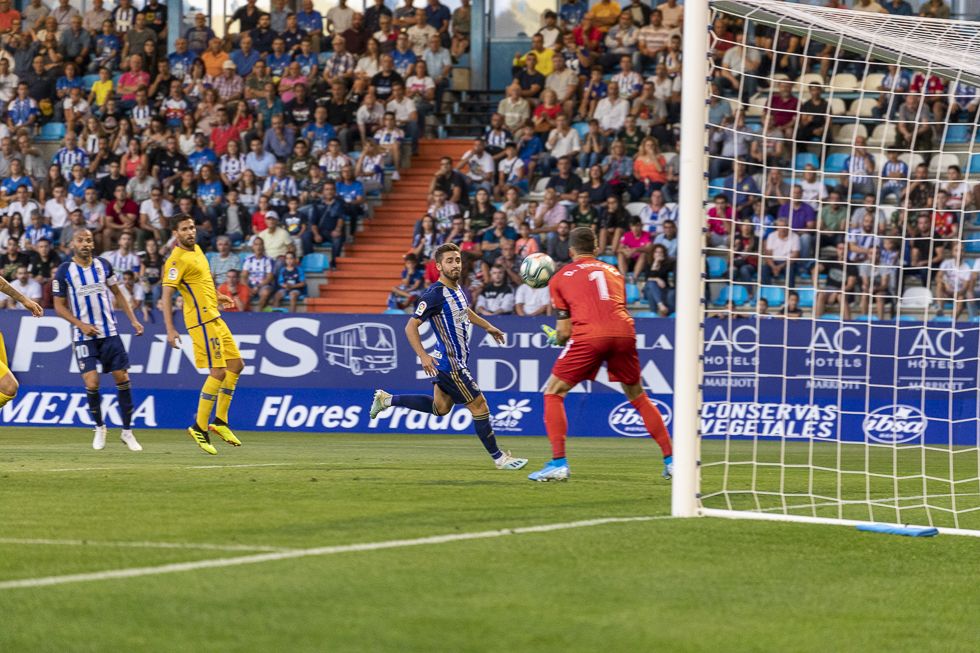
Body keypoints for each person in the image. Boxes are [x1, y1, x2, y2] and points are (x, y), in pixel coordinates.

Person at [529, 227, 673, 482]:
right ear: (596, 248)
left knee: (553, 392)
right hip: (624, 332)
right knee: (638, 396)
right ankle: (672, 462)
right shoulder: (614, 272)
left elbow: (564, 331)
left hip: (591, 335)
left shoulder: (560, 278)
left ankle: (558, 463)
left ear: (571, 251)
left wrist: (557, 338)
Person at [369, 243, 528, 471]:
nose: (455, 265)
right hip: (450, 363)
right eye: (450, 261)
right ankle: (500, 459)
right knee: (480, 406)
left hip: (454, 360)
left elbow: (465, 312)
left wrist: (488, 326)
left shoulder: (457, 289)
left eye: (458, 260)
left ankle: (386, 400)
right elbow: (410, 326)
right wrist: (423, 356)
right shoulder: (434, 294)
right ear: (439, 266)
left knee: (440, 408)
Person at [52, 229, 144, 451]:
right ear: (73, 244)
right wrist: (80, 324)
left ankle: (127, 431)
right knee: (92, 382)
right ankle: (100, 427)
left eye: (88, 240)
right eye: (80, 240)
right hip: (83, 337)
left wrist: (133, 320)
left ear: (93, 244)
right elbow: (58, 306)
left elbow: (118, 293)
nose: (85, 244)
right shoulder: (64, 271)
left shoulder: (104, 265)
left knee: (122, 378)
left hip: (109, 333)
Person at [161, 215, 244, 455]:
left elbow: (203, 281)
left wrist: (218, 296)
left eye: (192, 227)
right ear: (176, 233)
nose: (190, 232)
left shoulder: (197, 250)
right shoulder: (176, 261)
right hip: (200, 321)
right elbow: (166, 295)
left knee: (236, 365)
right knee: (218, 371)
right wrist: (170, 329)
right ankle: (199, 427)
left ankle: (220, 422)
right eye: (185, 229)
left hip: (214, 316)